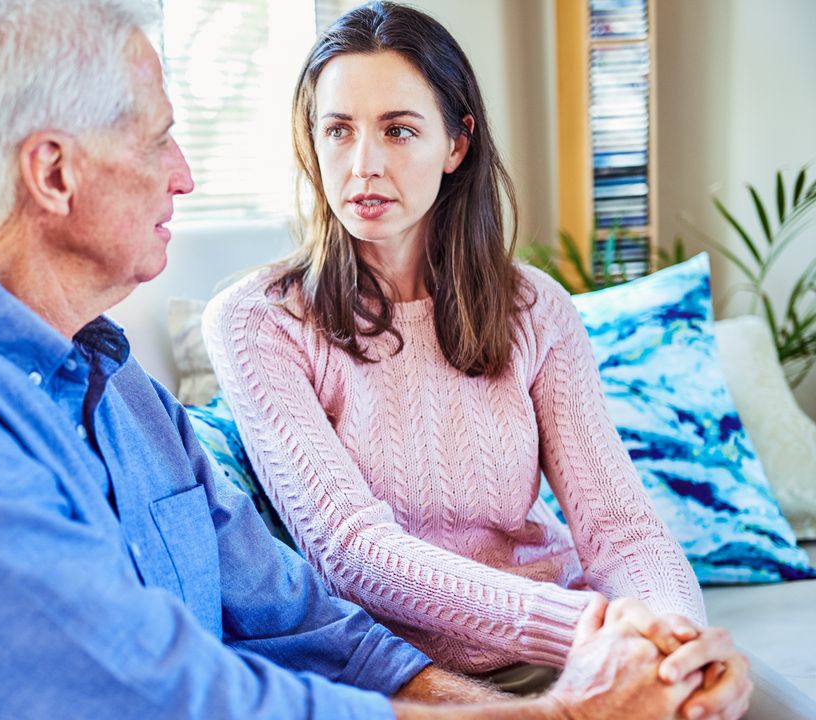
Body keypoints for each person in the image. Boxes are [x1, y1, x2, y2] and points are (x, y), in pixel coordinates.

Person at [0, 0, 717, 717]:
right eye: (157, 137)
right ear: (54, 172)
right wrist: (559, 714)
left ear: (457, 144)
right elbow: (175, 695)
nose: (185, 172)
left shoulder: (120, 390)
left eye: (398, 130)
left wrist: (619, 673)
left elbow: (306, 623)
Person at [203, 2, 756, 718]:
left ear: (457, 144)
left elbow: (619, 527)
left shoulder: (536, 309)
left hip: (559, 649)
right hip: (405, 681)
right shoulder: (257, 322)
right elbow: (351, 550)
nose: (363, 164)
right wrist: (593, 630)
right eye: (337, 130)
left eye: (399, 130)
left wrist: (672, 642)